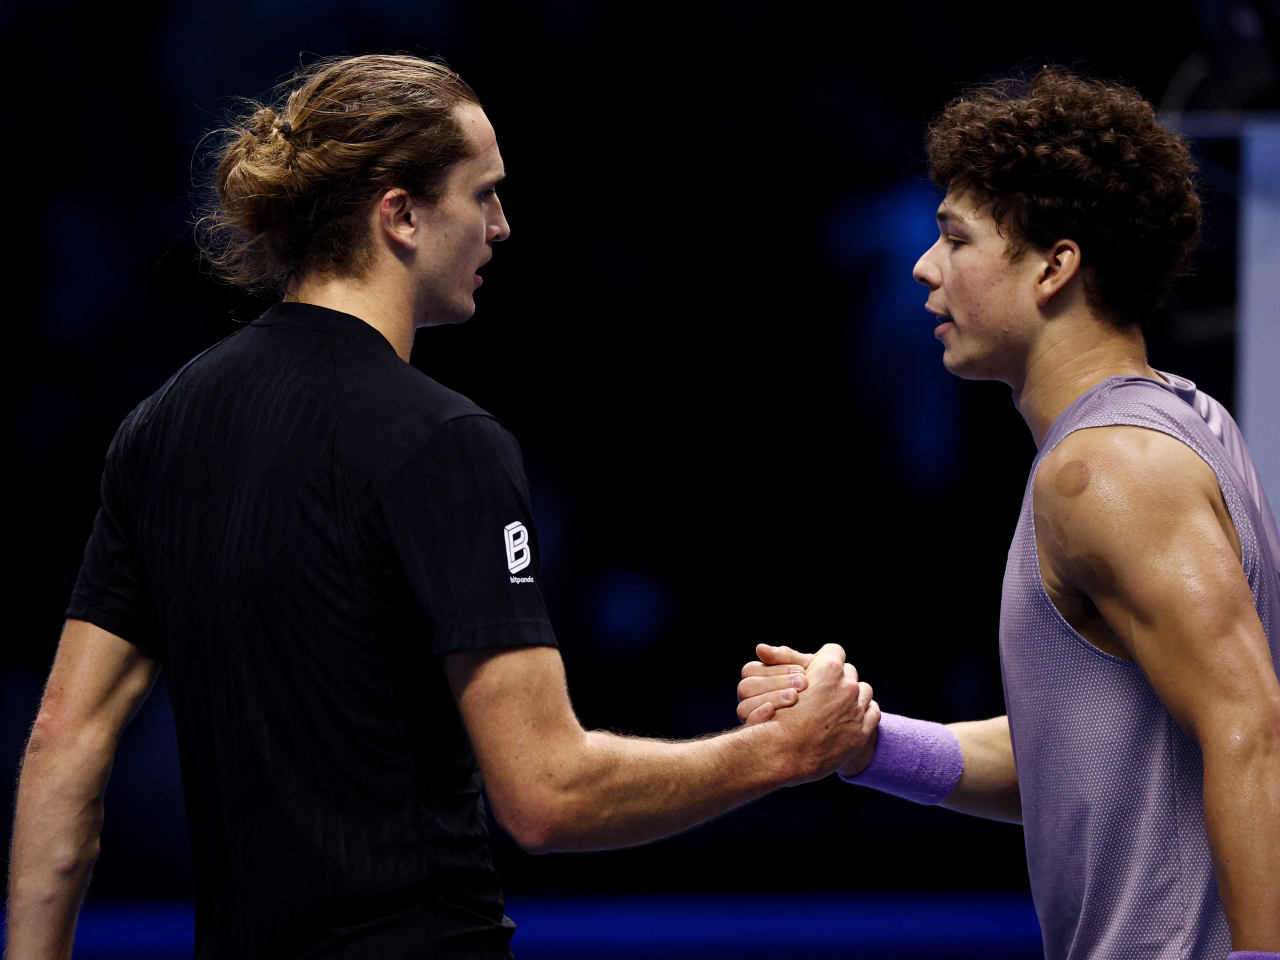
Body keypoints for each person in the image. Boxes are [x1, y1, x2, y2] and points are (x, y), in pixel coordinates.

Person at [4, 54, 879, 960]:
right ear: (402, 214)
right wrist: (785, 752)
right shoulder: (446, 442)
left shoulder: (160, 428)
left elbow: (64, 740)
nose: (503, 226)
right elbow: (549, 795)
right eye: (485, 194)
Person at [738, 67, 1280, 959]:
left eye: (955, 238)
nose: (923, 264)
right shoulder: (1182, 422)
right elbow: (1086, 764)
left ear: (1054, 266)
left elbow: (1250, 728)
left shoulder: (1105, 469)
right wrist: (864, 743)